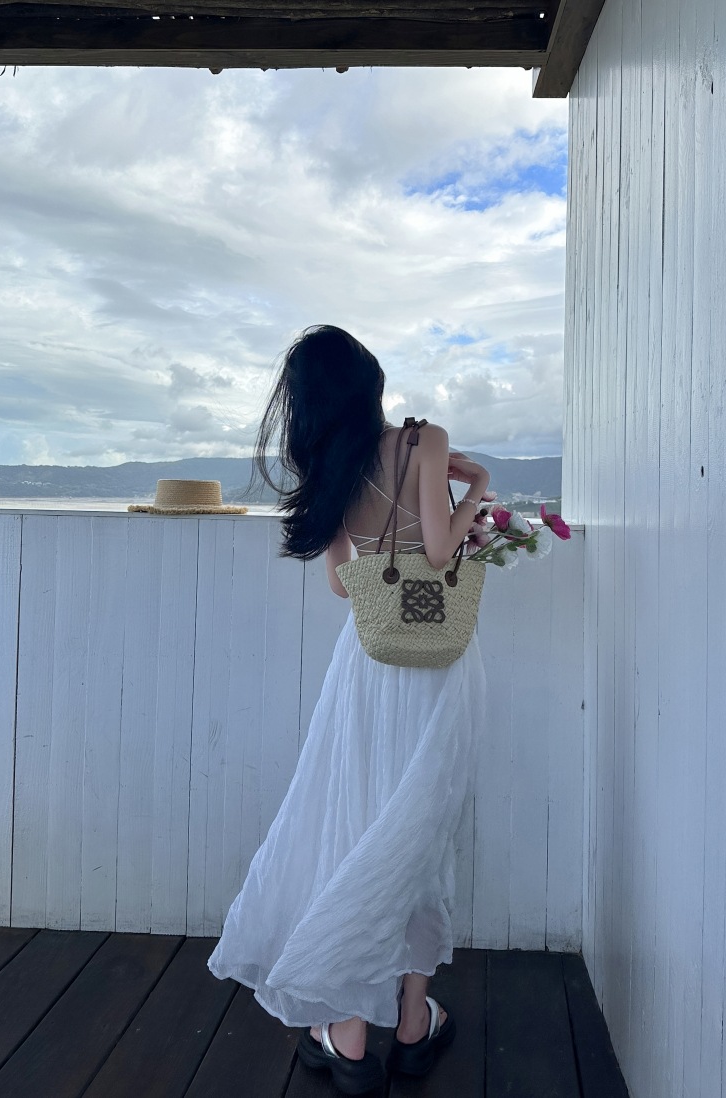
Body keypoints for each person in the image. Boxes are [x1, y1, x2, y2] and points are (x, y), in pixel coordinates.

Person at [207, 324, 491, 1095]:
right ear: (370, 382)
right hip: (440, 669)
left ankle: (347, 1032)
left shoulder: (329, 463)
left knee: (358, 826)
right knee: (421, 837)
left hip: (368, 669)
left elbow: (344, 585)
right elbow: (441, 554)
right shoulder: (424, 440)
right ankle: (412, 1024)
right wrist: (477, 488)